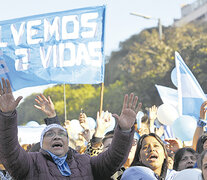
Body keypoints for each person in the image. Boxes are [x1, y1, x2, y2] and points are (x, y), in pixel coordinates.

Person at [0, 78, 140, 179]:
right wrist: (7, 116)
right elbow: (9, 152)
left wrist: (124, 130)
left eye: (62, 134)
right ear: (41, 144)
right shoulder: (31, 163)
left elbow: (114, 159)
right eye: (50, 134)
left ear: (68, 143)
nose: (57, 136)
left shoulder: (86, 162)